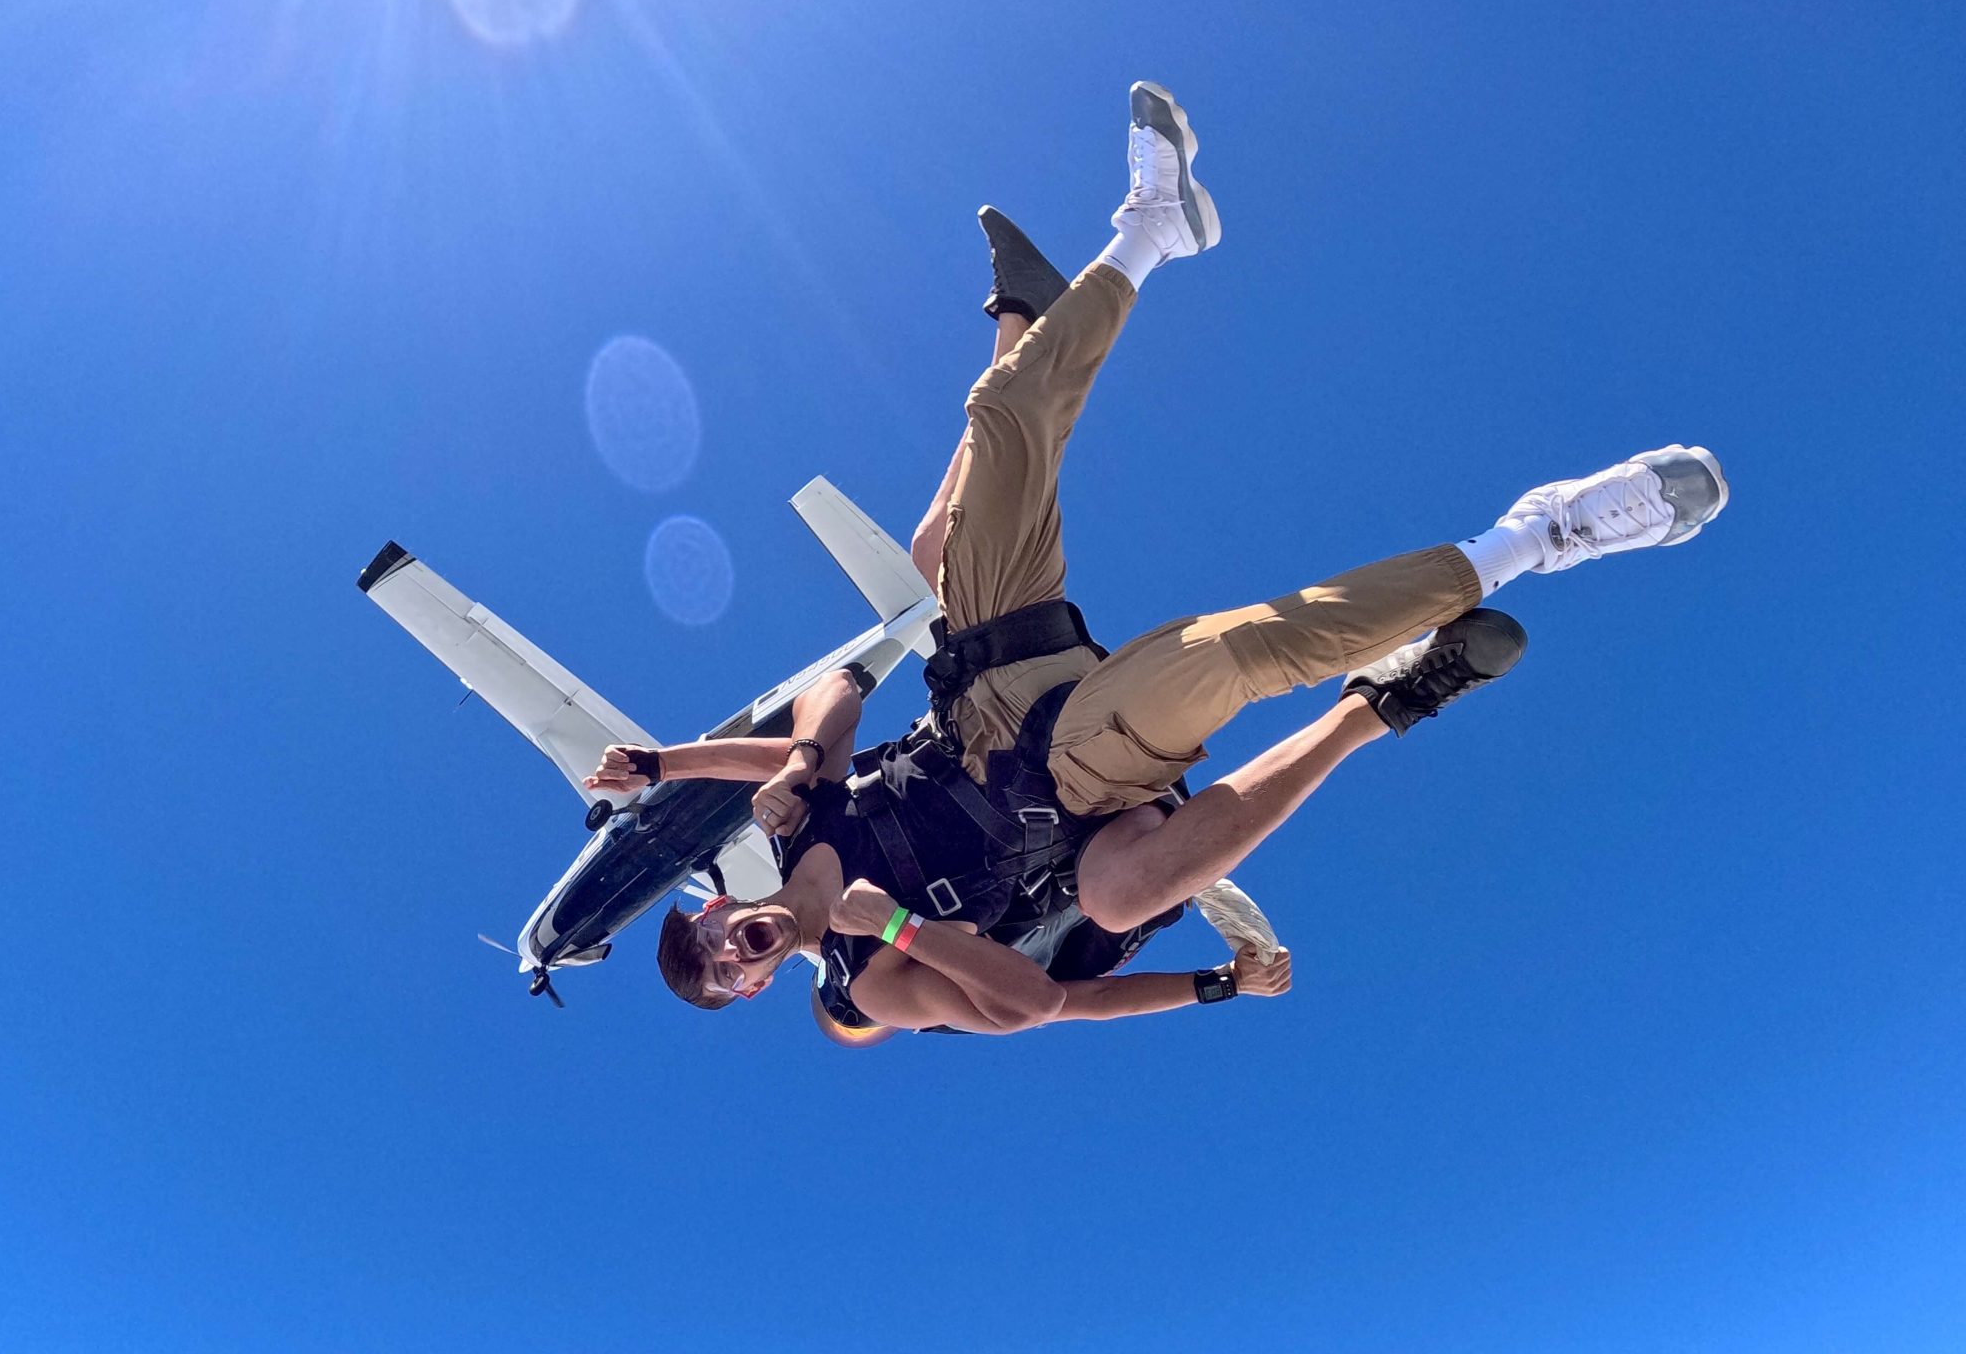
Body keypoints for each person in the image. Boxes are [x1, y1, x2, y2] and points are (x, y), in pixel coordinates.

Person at [589, 82, 1727, 1039]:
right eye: (730, 975)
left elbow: (831, 690)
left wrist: (714, 763)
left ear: (702, 911)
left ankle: (1149, 227)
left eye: (703, 939)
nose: (732, 950)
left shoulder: (787, 826)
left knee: (1003, 415)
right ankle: (1537, 536)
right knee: (1236, 654)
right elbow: (1031, 1004)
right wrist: (890, 924)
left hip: (986, 668)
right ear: (752, 986)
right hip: (1074, 775)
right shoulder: (865, 978)